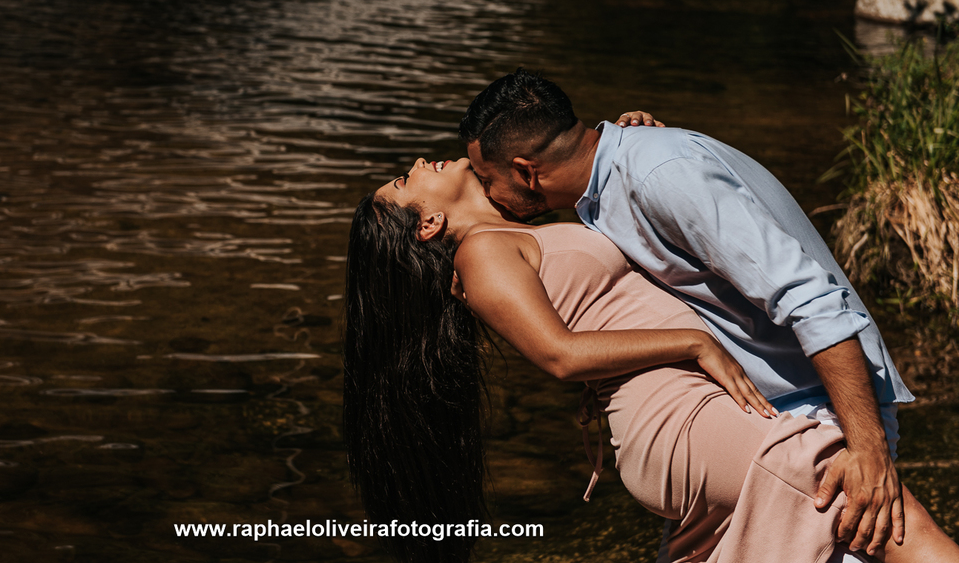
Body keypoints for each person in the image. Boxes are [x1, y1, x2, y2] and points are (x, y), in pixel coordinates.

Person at [343, 157, 959, 563]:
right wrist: (693, 343)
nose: (420, 162)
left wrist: (625, 143)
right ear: (427, 224)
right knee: (886, 512)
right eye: (404, 178)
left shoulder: (512, 233)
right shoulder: (478, 256)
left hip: (694, 412)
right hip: (674, 418)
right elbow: (560, 355)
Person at [458, 70, 915, 558]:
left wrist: (867, 448)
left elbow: (811, 300)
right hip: (768, 414)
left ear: (527, 171)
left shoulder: (661, 173)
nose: (489, 195)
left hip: (820, 413)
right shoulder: (612, 180)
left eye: (488, 180)